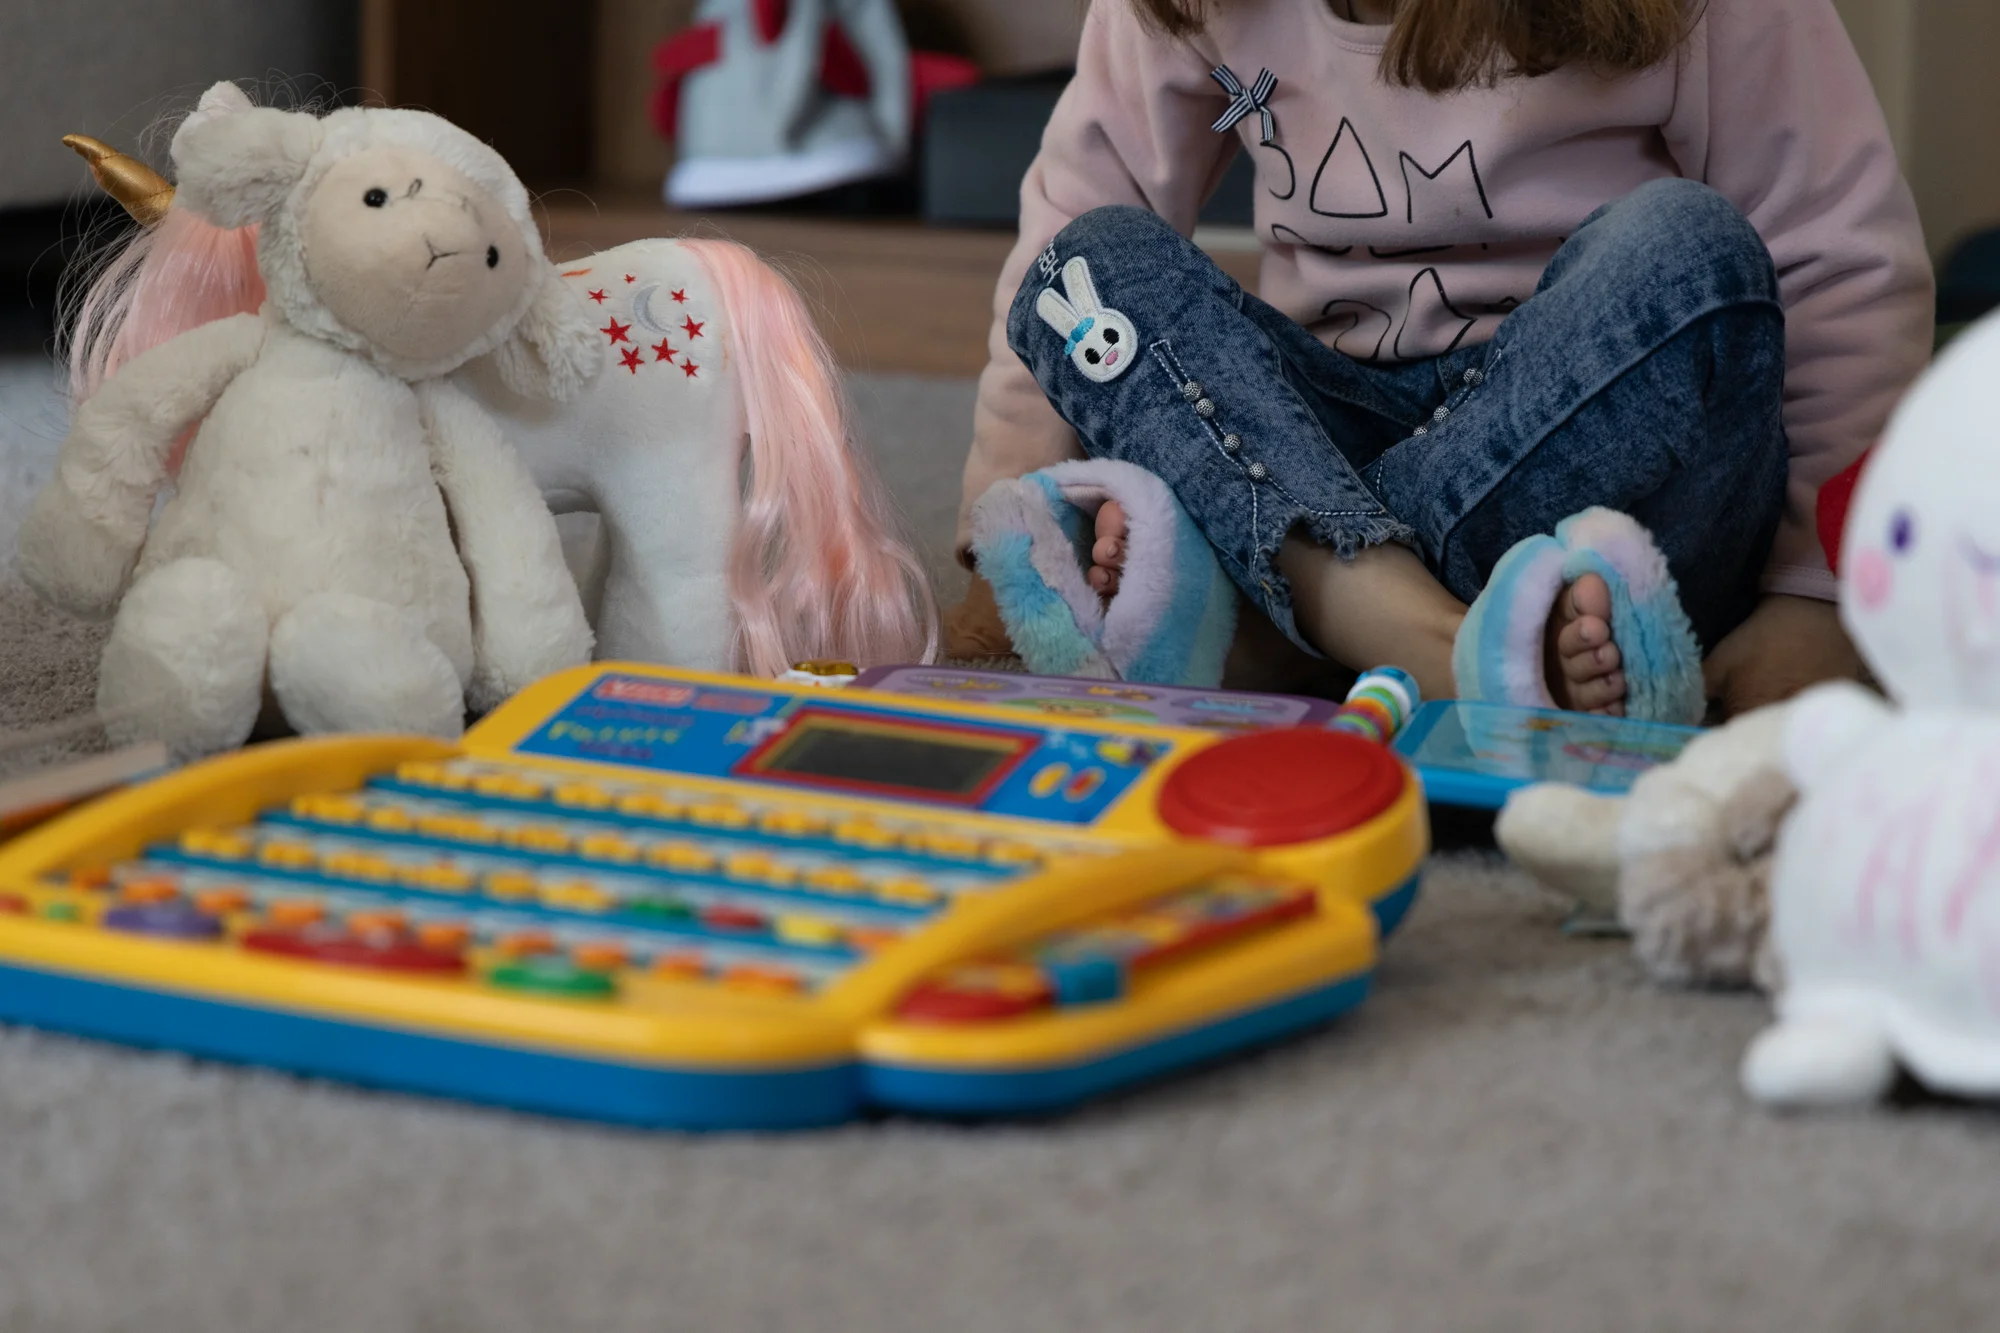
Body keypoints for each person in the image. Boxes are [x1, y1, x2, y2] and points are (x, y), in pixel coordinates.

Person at [947, 0, 1932, 716]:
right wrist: (1004, 538)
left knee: (1688, 252)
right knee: (1084, 267)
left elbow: (1838, 265)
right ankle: (1410, 630)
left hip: (1577, 467)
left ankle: (1283, 622)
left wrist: (1816, 593)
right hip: (1321, 450)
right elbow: (1078, 217)